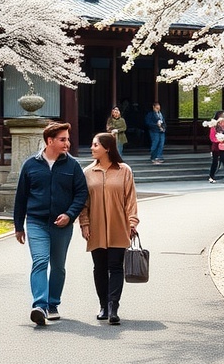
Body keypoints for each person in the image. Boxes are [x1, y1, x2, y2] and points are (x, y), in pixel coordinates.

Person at [14, 122, 88, 326]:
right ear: (50, 141)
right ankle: (39, 305)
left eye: (67, 139)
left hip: (62, 225)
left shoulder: (72, 165)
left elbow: (82, 193)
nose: (67, 143)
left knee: (58, 267)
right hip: (36, 222)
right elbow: (21, 196)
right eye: (63, 139)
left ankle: (53, 304)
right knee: (40, 261)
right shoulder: (30, 165)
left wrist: (70, 215)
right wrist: (19, 225)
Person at [79, 132, 139, 325]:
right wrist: (84, 224)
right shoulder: (88, 172)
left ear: (107, 148)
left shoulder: (124, 170)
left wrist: (132, 222)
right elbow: (83, 202)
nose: (91, 148)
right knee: (99, 267)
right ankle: (103, 305)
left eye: (95, 145)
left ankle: (114, 307)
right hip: (95, 227)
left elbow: (131, 199)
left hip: (118, 225)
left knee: (115, 266)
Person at [208, 110, 224, 185]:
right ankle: (211, 177)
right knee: (215, 162)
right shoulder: (214, 126)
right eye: (223, 115)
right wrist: (219, 139)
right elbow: (212, 137)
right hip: (216, 146)